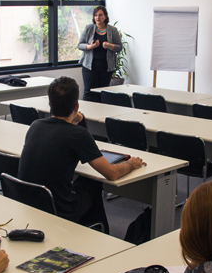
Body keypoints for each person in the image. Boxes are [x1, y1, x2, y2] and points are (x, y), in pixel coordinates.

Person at [18, 76, 145, 233]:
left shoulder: (35, 126)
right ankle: (100, 229)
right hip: (60, 207)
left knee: (83, 181)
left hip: (29, 202)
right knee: (94, 182)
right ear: (77, 106)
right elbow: (111, 174)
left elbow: (59, 136)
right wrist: (131, 163)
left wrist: (72, 122)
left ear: (49, 104)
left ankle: (94, 227)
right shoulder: (78, 134)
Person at [77, 6, 122, 102]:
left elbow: (119, 47)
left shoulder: (113, 30)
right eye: (96, 15)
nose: (98, 17)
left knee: (102, 93)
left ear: (105, 16)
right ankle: (87, 115)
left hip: (106, 68)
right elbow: (80, 45)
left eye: (100, 15)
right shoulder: (89, 28)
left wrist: (109, 45)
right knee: (89, 93)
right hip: (89, 67)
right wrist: (90, 47)